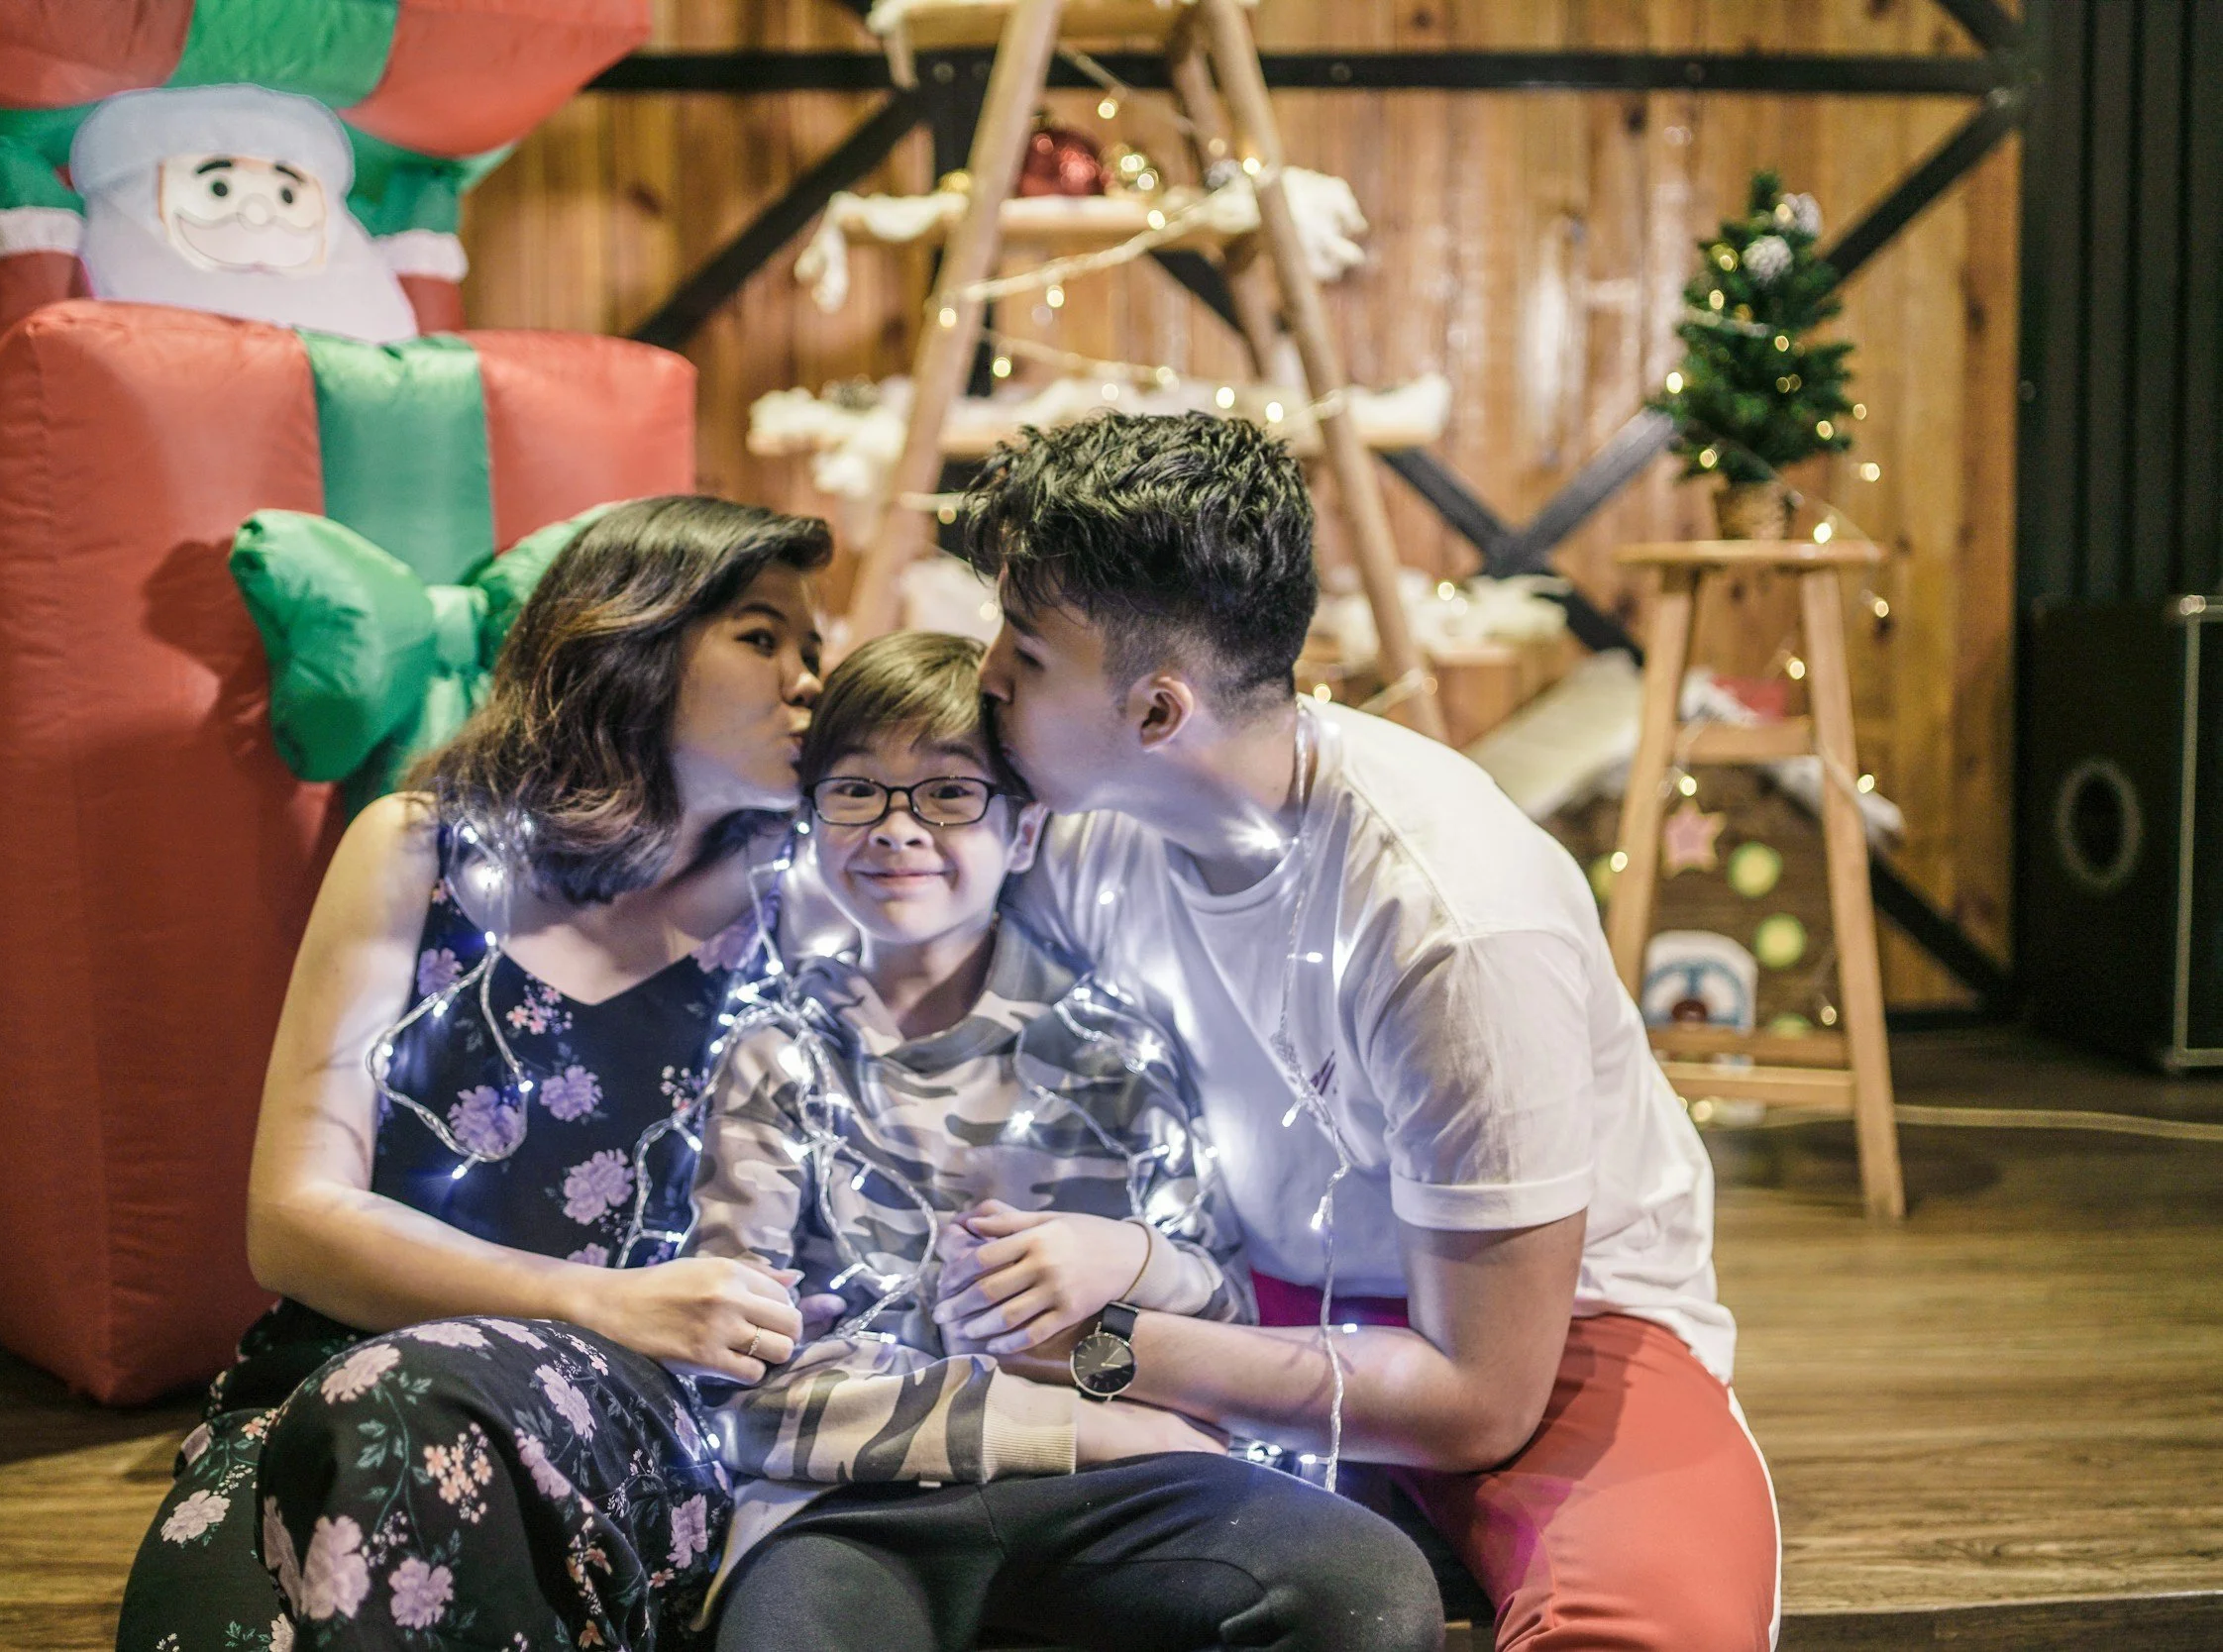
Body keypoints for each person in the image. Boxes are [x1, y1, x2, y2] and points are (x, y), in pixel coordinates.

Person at [957, 413, 1782, 1652]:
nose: (987, 677)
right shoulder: (1092, 831)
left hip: (1547, 1336)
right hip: (1245, 1289)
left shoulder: (1449, 923)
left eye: (1024, 649)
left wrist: (1112, 1350)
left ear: (1155, 711)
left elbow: (1479, 1403)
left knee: (1652, 1632)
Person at [116, 497, 828, 1652]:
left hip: (631, 1418)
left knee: (405, 1419)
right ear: (627, 639)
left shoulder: (807, 896)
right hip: (322, 1384)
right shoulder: (416, 847)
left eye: (816, 648)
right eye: (763, 637)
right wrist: (592, 1294)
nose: (809, 681)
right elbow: (291, 1223)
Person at [688, 629, 1445, 1652]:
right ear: (812, 819)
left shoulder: (1111, 1047)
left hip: (1119, 1493)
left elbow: (1220, 1299)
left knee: (1363, 1583)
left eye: (949, 792)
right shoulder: (779, 1055)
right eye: (856, 790)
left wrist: (1124, 1256)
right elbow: (735, 1381)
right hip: (855, 1507)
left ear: (1027, 829)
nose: (897, 828)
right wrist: (1074, 1422)